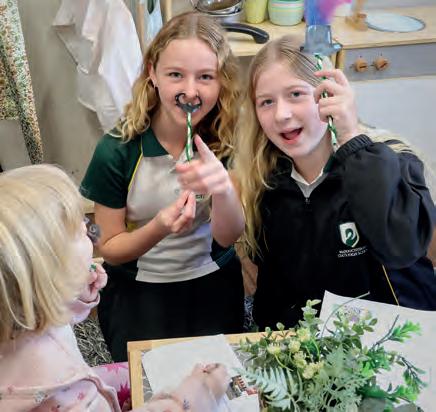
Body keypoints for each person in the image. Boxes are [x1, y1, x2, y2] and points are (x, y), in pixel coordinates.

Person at [233, 35, 436, 331]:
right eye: (266, 102)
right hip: (305, 343)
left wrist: (350, 137)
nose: (281, 114)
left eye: (296, 94)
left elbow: (401, 247)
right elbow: (270, 282)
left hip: (389, 337)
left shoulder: (390, 161)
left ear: (329, 94)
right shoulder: (263, 179)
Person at [80, 12, 245, 361]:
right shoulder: (116, 151)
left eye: (205, 77)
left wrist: (223, 189)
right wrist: (159, 227)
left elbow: (229, 236)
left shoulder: (228, 139)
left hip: (212, 279)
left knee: (219, 376)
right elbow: (108, 246)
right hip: (139, 286)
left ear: (222, 82)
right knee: (148, 377)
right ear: (152, 73)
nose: (190, 91)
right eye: (175, 75)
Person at [0, 164, 230, 411]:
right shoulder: (66, 391)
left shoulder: (17, 314)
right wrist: (194, 397)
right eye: (76, 230)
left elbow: (48, 315)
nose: (87, 227)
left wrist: (74, 292)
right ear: (47, 278)